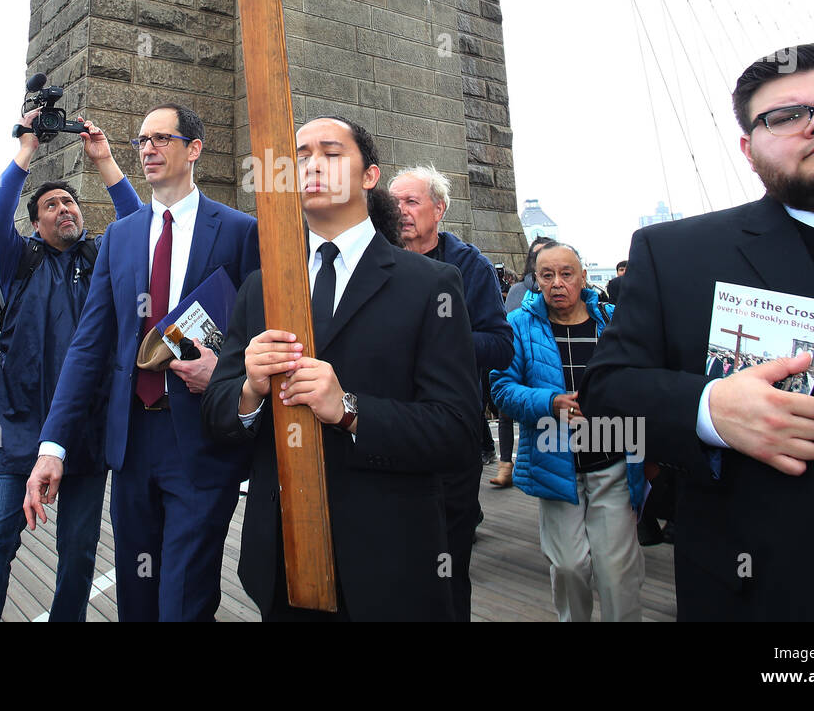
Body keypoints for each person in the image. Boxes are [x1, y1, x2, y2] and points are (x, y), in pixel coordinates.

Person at [583, 43, 814, 621]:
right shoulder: (676, 254)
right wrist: (708, 408)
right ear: (750, 150)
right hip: (779, 599)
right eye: (785, 116)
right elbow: (606, 398)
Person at [202, 116, 482, 621]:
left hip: (389, 565)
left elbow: (458, 430)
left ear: (369, 176)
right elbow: (218, 413)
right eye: (300, 156)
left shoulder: (432, 285)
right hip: (282, 564)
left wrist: (349, 409)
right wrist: (249, 390)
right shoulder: (259, 288)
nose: (311, 165)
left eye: (330, 153)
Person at [27, 103, 260, 622]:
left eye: (161, 138)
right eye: (141, 141)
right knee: (137, 593)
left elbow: (260, 334)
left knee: (183, 598)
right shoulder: (120, 236)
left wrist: (224, 375)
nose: (148, 149)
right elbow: (88, 348)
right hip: (130, 445)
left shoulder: (242, 232)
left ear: (194, 149)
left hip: (201, 439)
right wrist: (52, 445)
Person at [0, 108, 141, 622]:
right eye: (51, 204)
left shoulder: (102, 255)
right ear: (36, 222)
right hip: (13, 422)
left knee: (79, 552)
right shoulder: (20, 259)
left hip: (84, 424)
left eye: (69, 201)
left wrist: (104, 160)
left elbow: (137, 223)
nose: (64, 208)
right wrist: (27, 147)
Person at [492, 241, 645, 622]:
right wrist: (550, 403)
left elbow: (642, 383)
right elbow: (501, 390)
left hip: (614, 458)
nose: (557, 283)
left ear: (583, 277)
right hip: (555, 459)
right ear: (535, 282)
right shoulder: (519, 326)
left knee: (617, 571)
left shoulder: (612, 322)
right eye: (547, 275)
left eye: (566, 274)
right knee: (569, 567)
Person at [389, 165, 514, 620]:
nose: (400, 211)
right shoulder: (373, 261)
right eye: (394, 202)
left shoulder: (469, 267)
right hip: (384, 434)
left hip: (447, 438)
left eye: (412, 201)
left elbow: (499, 345)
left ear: (439, 209)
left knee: (447, 569)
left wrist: (437, 341)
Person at [492, 235, 553, 487]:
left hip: (545, 363)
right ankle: (506, 463)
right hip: (517, 358)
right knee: (506, 413)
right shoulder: (518, 290)